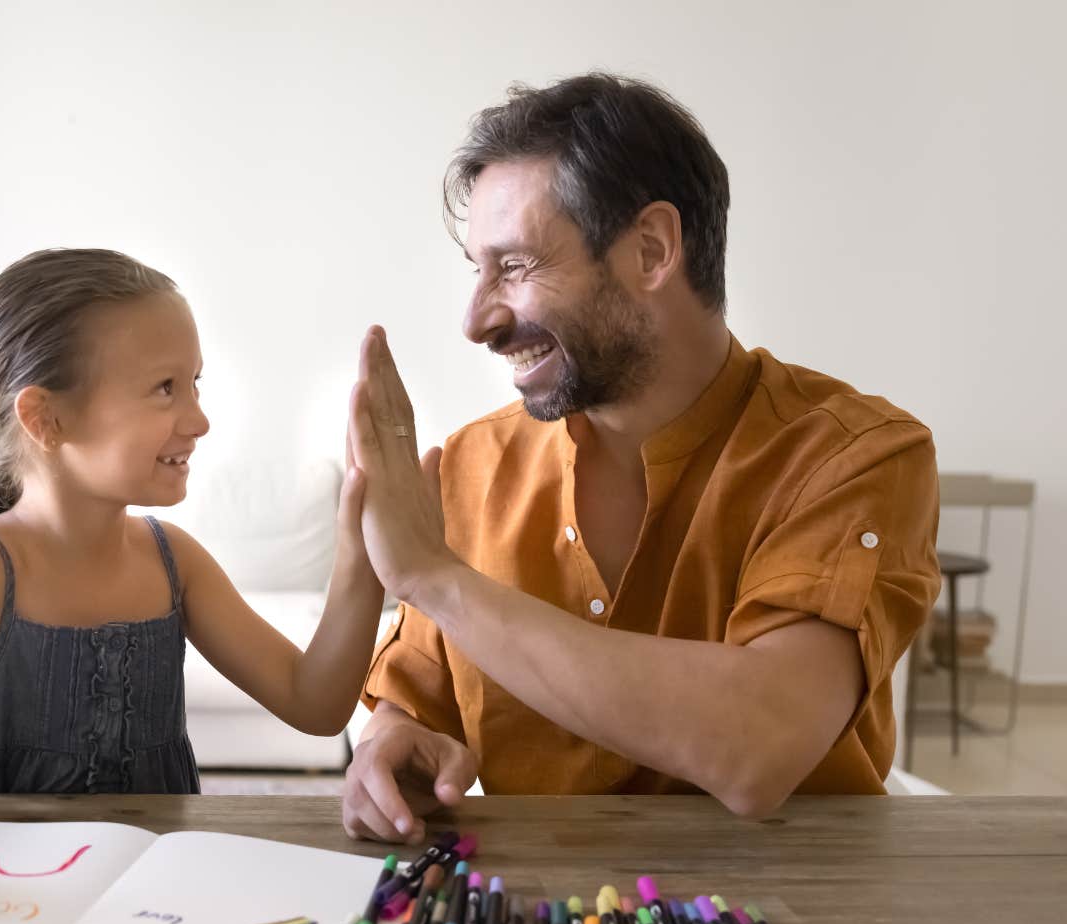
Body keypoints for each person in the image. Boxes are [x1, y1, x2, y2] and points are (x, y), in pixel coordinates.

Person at [338, 74, 942, 843]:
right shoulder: (469, 463)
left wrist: (435, 579)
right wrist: (391, 745)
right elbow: (415, 697)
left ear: (652, 251)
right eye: (476, 269)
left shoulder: (855, 458)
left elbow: (760, 746)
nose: (476, 318)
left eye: (515, 266)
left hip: (793, 920)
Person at [0, 248, 386, 914]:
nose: (199, 418)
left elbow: (317, 703)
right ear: (46, 418)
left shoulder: (173, 562)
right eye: (165, 388)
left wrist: (361, 547)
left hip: (149, 908)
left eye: (195, 383)